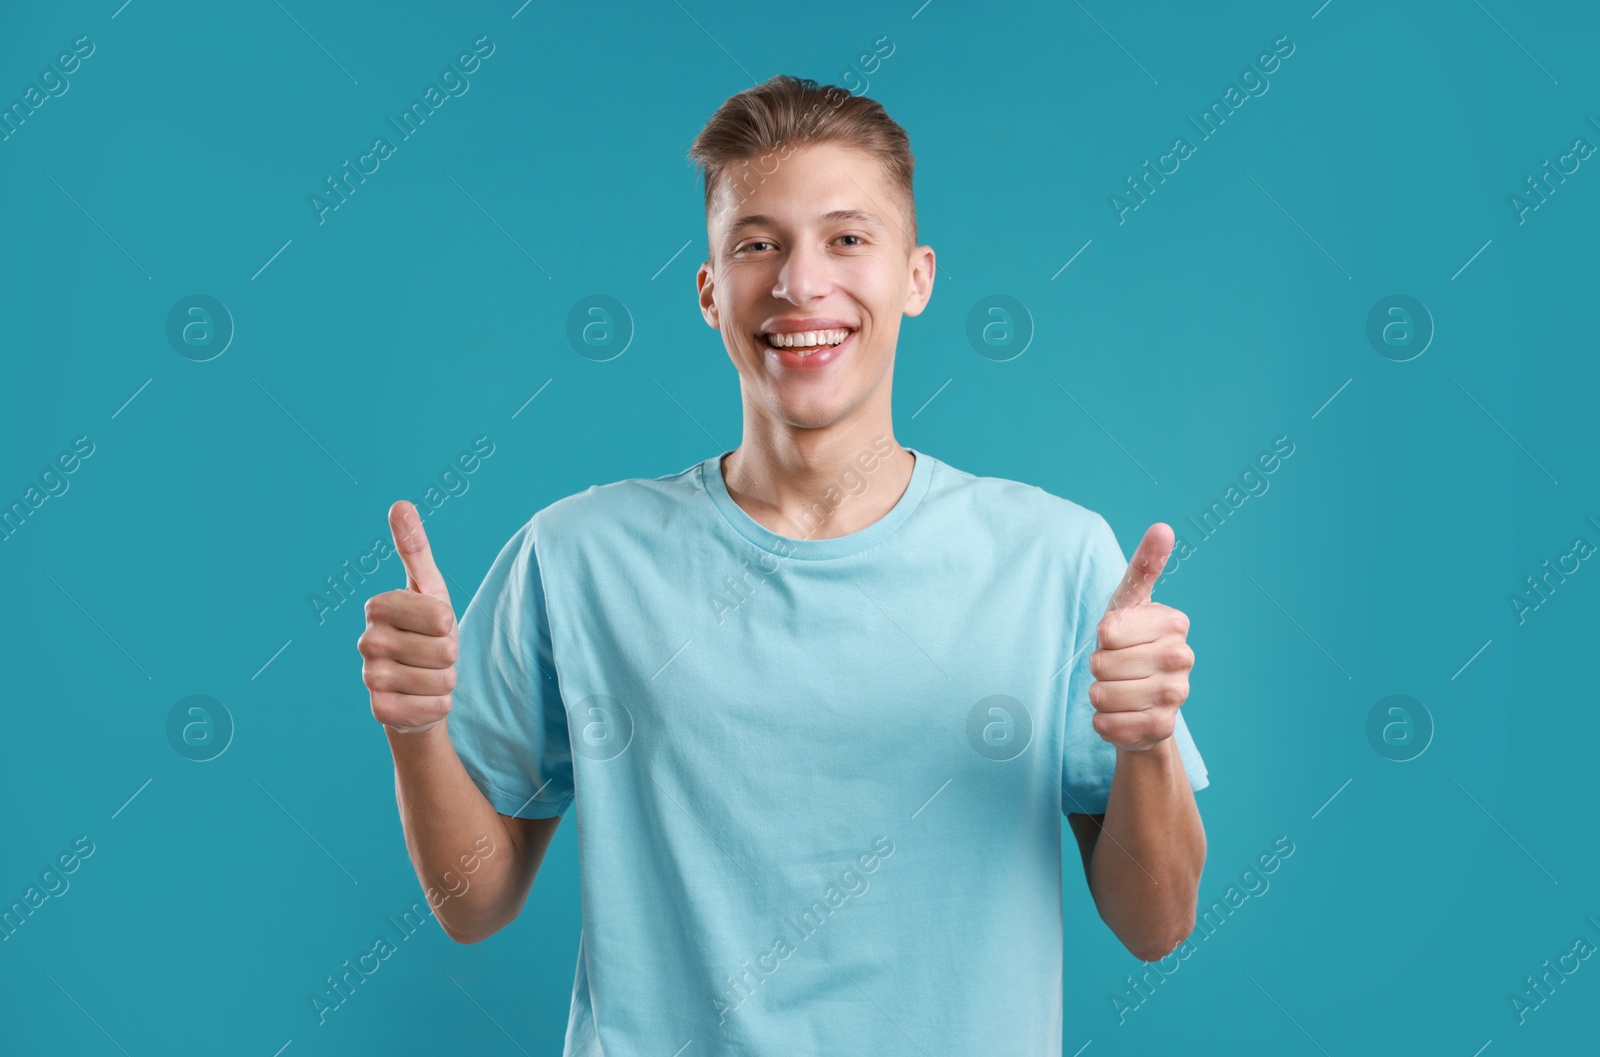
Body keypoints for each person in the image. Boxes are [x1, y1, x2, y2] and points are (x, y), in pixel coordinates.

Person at [359, 73, 1208, 1055]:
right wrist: (418, 731)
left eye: (847, 239)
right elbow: (474, 904)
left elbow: (1157, 925)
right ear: (710, 289)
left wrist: (1144, 744)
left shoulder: (1054, 557)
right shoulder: (576, 554)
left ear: (916, 276)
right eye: (757, 243)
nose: (800, 283)